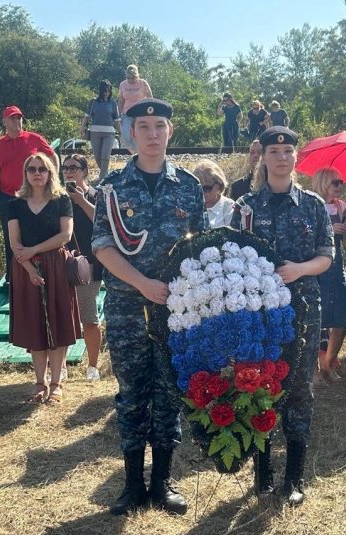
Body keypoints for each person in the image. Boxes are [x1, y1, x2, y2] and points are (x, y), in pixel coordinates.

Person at [92, 98, 207, 516]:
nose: (153, 134)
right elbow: (101, 245)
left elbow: (201, 247)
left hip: (176, 310)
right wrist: (142, 283)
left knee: (169, 392)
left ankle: (163, 481)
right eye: (144, 126)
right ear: (130, 133)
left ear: (169, 132)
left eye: (160, 126)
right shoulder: (113, 187)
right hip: (126, 306)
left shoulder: (189, 186)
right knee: (132, 392)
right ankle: (131, 484)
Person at [231, 126, 334, 506]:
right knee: (258, 385)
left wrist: (299, 269)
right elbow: (235, 258)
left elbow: (327, 256)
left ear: (296, 158)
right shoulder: (246, 207)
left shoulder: (312, 204)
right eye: (274, 150)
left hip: (302, 308)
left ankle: (293, 476)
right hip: (258, 313)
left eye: (288, 150)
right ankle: (263, 472)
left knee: (298, 389)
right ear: (263, 157)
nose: (281, 156)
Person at [8, 153, 81, 404]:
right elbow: (15, 243)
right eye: (32, 169)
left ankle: (57, 383)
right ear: (26, 173)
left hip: (56, 265)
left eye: (42, 169)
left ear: (50, 172)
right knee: (35, 325)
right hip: (25, 267)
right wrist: (29, 268)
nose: (37, 173)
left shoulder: (61, 200)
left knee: (59, 323)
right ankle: (39, 383)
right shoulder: (15, 204)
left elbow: (65, 236)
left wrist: (34, 250)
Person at [0, 105, 58, 282]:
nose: (17, 121)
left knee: (34, 232)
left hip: (32, 195)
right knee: (10, 237)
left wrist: (54, 182)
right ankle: (15, 276)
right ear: (4, 121)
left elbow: (52, 157)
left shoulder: (33, 138)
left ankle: (42, 272)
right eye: (12, 118)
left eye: (19, 117)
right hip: (8, 197)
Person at [62, 154, 104, 382]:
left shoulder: (96, 195)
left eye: (74, 168)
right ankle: (61, 365)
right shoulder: (57, 196)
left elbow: (103, 222)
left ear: (85, 171)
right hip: (60, 263)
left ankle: (93, 366)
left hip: (88, 264)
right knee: (63, 316)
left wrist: (80, 200)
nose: (69, 171)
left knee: (88, 316)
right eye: (65, 168)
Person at [311, 168, 346, 385]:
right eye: (336, 182)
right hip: (318, 263)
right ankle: (315, 368)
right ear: (324, 182)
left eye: (341, 182)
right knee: (318, 317)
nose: (339, 186)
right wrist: (329, 228)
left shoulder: (340, 206)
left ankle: (328, 362)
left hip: (337, 264)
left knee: (340, 316)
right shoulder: (312, 205)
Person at [81, 80, 121, 181]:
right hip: (95, 132)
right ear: (100, 91)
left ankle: (102, 178)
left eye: (108, 91)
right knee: (98, 156)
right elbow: (87, 116)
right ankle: (106, 174)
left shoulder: (113, 103)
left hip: (109, 133)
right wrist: (83, 127)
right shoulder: (93, 102)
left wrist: (120, 132)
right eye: (104, 91)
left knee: (105, 156)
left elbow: (117, 120)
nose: (106, 93)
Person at [118, 64, 153, 154]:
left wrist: (150, 112)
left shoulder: (143, 83)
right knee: (125, 135)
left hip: (140, 114)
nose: (130, 80)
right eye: (128, 78)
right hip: (126, 114)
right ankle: (134, 152)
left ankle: (138, 154)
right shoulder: (123, 85)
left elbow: (150, 98)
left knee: (137, 135)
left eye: (132, 78)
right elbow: (121, 100)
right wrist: (118, 115)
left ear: (137, 76)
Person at [193, 159, 234, 228]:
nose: (202, 192)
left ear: (219, 185)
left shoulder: (228, 206)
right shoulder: (190, 204)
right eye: (198, 188)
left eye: (207, 188)